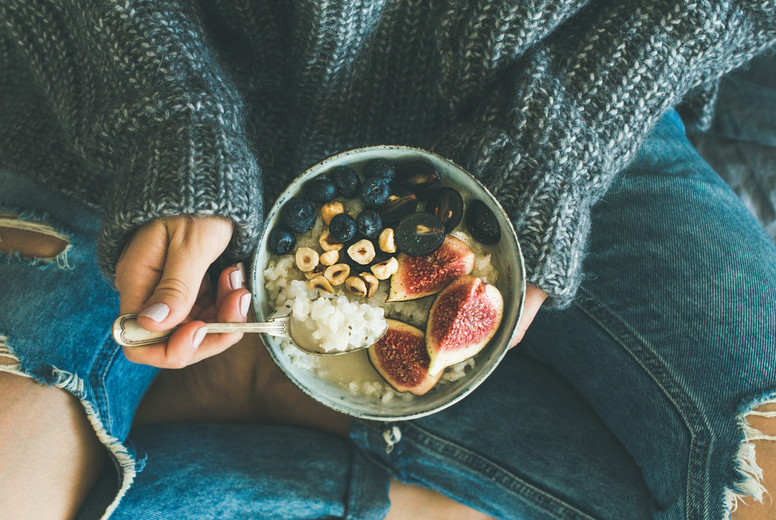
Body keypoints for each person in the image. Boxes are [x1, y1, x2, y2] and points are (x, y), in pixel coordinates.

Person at [0, 0, 774, 518]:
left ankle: (257, 401)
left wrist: (547, 156)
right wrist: (163, 121)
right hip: (127, 96)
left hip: (568, 109)